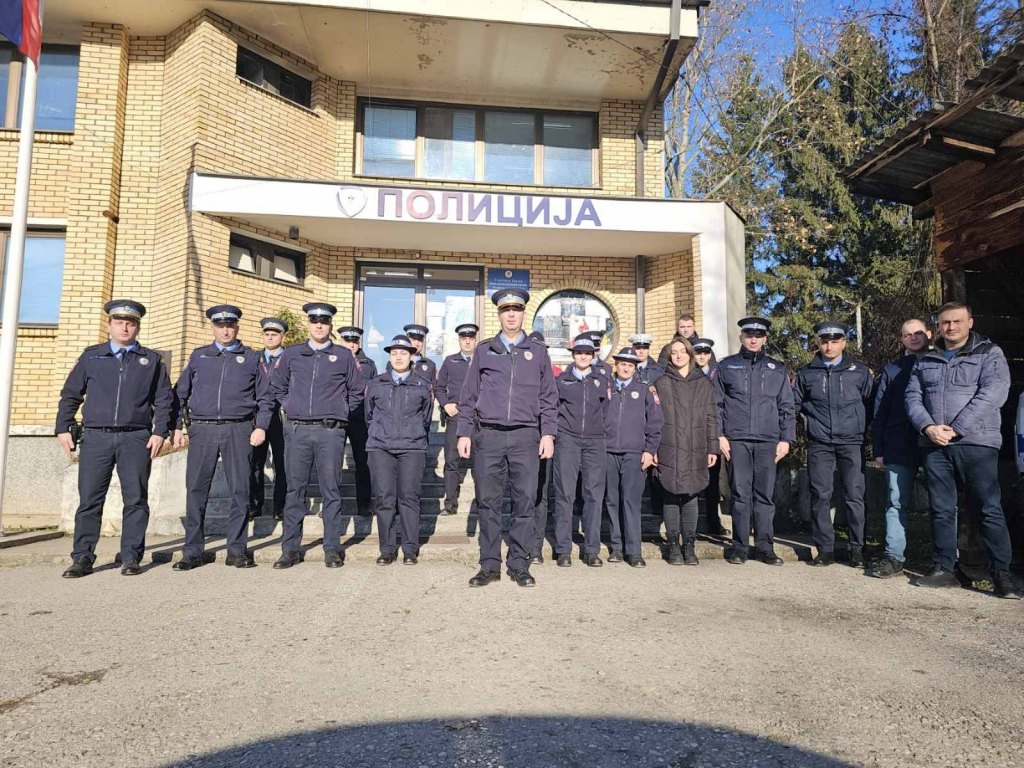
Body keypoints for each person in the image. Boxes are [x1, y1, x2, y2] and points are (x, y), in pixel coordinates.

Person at [905, 302, 1021, 598]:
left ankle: (1002, 575)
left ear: (970, 322)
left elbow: (993, 393)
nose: (951, 327)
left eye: (957, 321)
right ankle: (945, 568)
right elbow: (912, 398)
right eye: (945, 322)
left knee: (988, 508)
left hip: (976, 443)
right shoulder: (927, 358)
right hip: (934, 444)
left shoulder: (988, 353)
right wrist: (928, 428)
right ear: (938, 325)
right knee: (942, 509)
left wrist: (957, 428)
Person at [58, 300, 175, 578]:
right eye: (119, 322)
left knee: (135, 499)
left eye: (130, 322)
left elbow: (164, 399)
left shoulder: (152, 360)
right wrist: (63, 426)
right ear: (109, 325)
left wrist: (160, 432)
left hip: (136, 437)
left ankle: (131, 557)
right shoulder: (92, 356)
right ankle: (82, 558)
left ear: (137, 327)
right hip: (96, 437)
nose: (125, 327)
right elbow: (71, 393)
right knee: (89, 500)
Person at [458, 288, 557, 587]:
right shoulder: (484, 350)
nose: (511, 314)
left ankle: (519, 563)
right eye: (505, 310)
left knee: (525, 502)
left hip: (526, 437)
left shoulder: (538, 352)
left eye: (516, 309)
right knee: (488, 502)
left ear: (524, 312)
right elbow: (468, 395)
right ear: (499, 314)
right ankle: (489, 564)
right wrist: (464, 431)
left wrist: (548, 433)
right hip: (488, 436)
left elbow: (549, 397)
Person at [172, 305, 272, 571]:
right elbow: (179, 394)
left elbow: (266, 397)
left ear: (236, 327)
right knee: (196, 490)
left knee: (240, 490)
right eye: (220, 325)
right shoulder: (199, 356)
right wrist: (177, 427)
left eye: (230, 325)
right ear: (213, 327)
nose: (225, 330)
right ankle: (192, 551)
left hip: (238, 430)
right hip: (202, 429)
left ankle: (237, 550)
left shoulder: (252, 358)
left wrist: (261, 426)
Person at [271, 302, 363, 570]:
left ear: (330, 325)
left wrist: (341, 410)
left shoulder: (343, 356)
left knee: (331, 490)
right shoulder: (292, 354)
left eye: (324, 321)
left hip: (330, 432)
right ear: (309, 324)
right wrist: (289, 405)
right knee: (294, 490)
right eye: (314, 321)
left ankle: (332, 547)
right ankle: (290, 548)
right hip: (297, 430)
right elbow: (277, 386)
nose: (319, 325)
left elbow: (357, 391)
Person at [794, 322, 875, 568]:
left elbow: (871, 405)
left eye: (835, 341)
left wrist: (860, 426)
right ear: (818, 343)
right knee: (820, 495)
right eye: (825, 341)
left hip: (852, 442)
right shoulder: (806, 373)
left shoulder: (859, 372)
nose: (829, 346)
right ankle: (825, 549)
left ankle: (856, 549)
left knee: (854, 496)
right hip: (820, 443)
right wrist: (809, 426)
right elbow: (795, 405)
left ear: (843, 343)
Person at [715, 317, 794, 566]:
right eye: (749, 334)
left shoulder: (777, 368)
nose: (753, 339)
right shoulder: (727, 367)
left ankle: (764, 547)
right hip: (736, 439)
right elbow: (716, 404)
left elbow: (787, 406)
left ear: (764, 339)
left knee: (764, 496)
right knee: (739, 494)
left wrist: (786, 438)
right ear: (741, 337)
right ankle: (739, 547)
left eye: (758, 336)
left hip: (768, 440)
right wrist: (719, 435)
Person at [870, 319, 932, 578]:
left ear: (929, 334)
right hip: (898, 444)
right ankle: (894, 556)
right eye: (907, 334)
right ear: (901, 339)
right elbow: (880, 411)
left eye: (918, 333)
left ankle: (946, 561)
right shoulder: (893, 369)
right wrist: (879, 448)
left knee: (944, 504)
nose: (913, 337)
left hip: (934, 443)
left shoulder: (943, 362)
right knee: (896, 502)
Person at [365, 335, 434, 565]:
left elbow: (425, 418)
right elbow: (369, 415)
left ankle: (409, 549)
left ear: (412, 356)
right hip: (380, 447)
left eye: (403, 353)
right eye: (394, 353)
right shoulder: (376, 383)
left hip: (411, 448)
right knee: (384, 499)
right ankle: (386, 549)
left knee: (409, 498)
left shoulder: (422, 384)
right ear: (389, 356)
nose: (398, 357)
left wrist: (411, 432)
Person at [655, 337, 719, 566]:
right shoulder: (661, 383)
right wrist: (652, 447)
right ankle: (673, 546)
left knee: (692, 495)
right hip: (668, 445)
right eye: (674, 352)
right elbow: (653, 419)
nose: (679, 355)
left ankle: (689, 546)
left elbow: (712, 417)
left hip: (696, 445)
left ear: (690, 355)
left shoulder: (703, 384)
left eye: (683, 351)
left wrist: (713, 447)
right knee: (670, 494)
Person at [552, 336, 609, 567]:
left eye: (587, 353)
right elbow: (553, 409)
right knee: (565, 494)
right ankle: (563, 549)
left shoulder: (601, 380)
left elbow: (606, 410)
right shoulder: (562, 381)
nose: (583, 356)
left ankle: (592, 550)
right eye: (579, 352)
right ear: (573, 355)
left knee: (593, 496)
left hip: (595, 442)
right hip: (568, 440)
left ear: (594, 356)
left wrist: (599, 431)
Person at [604, 348, 663, 567]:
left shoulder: (645, 390)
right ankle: (617, 548)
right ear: (616, 366)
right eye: (622, 364)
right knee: (612, 501)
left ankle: (634, 550)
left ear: (635, 368)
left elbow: (655, 423)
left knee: (630, 501)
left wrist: (649, 450)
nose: (626, 368)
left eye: (630, 365)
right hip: (609, 452)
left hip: (634, 453)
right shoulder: (607, 389)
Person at [435, 323, 479, 515]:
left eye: (470, 338)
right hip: (456, 416)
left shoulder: (482, 361)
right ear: (459, 340)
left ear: (475, 339)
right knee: (452, 461)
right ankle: (450, 503)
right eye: (464, 338)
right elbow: (439, 388)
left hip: (479, 419)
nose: (467, 341)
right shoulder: (449, 361)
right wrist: (446, 404)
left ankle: (481, 503)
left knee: (481, 463)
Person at [250, 317, 288, 520]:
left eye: (274, 334)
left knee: (282, 463)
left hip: (283, 417)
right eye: (267, 334)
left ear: (283, 336)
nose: (270, 337)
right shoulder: (254, 358)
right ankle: (255, 505)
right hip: (259, 417)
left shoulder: (290, 358)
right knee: (256, 462)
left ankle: (280, 507)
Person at [337, 326, 378, 516]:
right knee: (333, 464)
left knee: (363, 463)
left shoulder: (368, 364)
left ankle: (364, 505)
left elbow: (374, 392)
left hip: (359, 418)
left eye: (355, 341)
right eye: (348, 341)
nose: (351, 344)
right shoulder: (333, 359)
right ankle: (332, 506)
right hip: (335, 417)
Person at [693, 337, 729, 537]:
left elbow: (722, 405)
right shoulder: (688, 373)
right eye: (698, 353)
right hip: (693, 434)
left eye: (705, 353)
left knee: (713, 482)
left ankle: (713, 522)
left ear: (709, 355)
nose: (701, 356)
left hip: (712, 433)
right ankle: (692, 524)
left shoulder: (718, 374)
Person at [528, 330, 555, 564]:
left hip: (543, 441)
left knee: (540, 495)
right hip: (521, 441)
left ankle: (535, 546)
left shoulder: (552, 376)